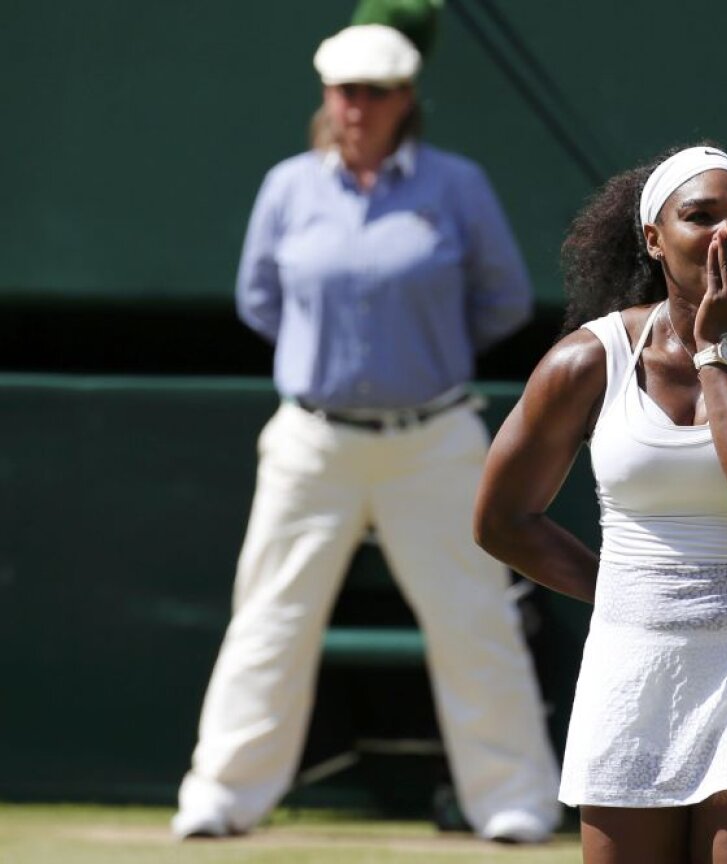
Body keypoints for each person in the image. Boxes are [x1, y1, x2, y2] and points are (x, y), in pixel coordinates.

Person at [172, 23, 561, 845]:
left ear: (405, 99)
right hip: (311, 441)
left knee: (475, 616)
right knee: (269, 616)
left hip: (435, 437)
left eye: (376, 92)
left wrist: (419, 355)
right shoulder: (287, 188)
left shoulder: (458, 186)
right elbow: (259, 299)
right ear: (327, 95)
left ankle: (515, 800)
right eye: (346, 91)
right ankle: (224, 795)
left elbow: (503, 300)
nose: (358, 107)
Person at [474, 145, 727, 862]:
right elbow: (502, 521)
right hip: (631, 674)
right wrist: (634, 593)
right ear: (654, 239)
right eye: (702, 216)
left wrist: (716, 350)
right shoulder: (587, 360)